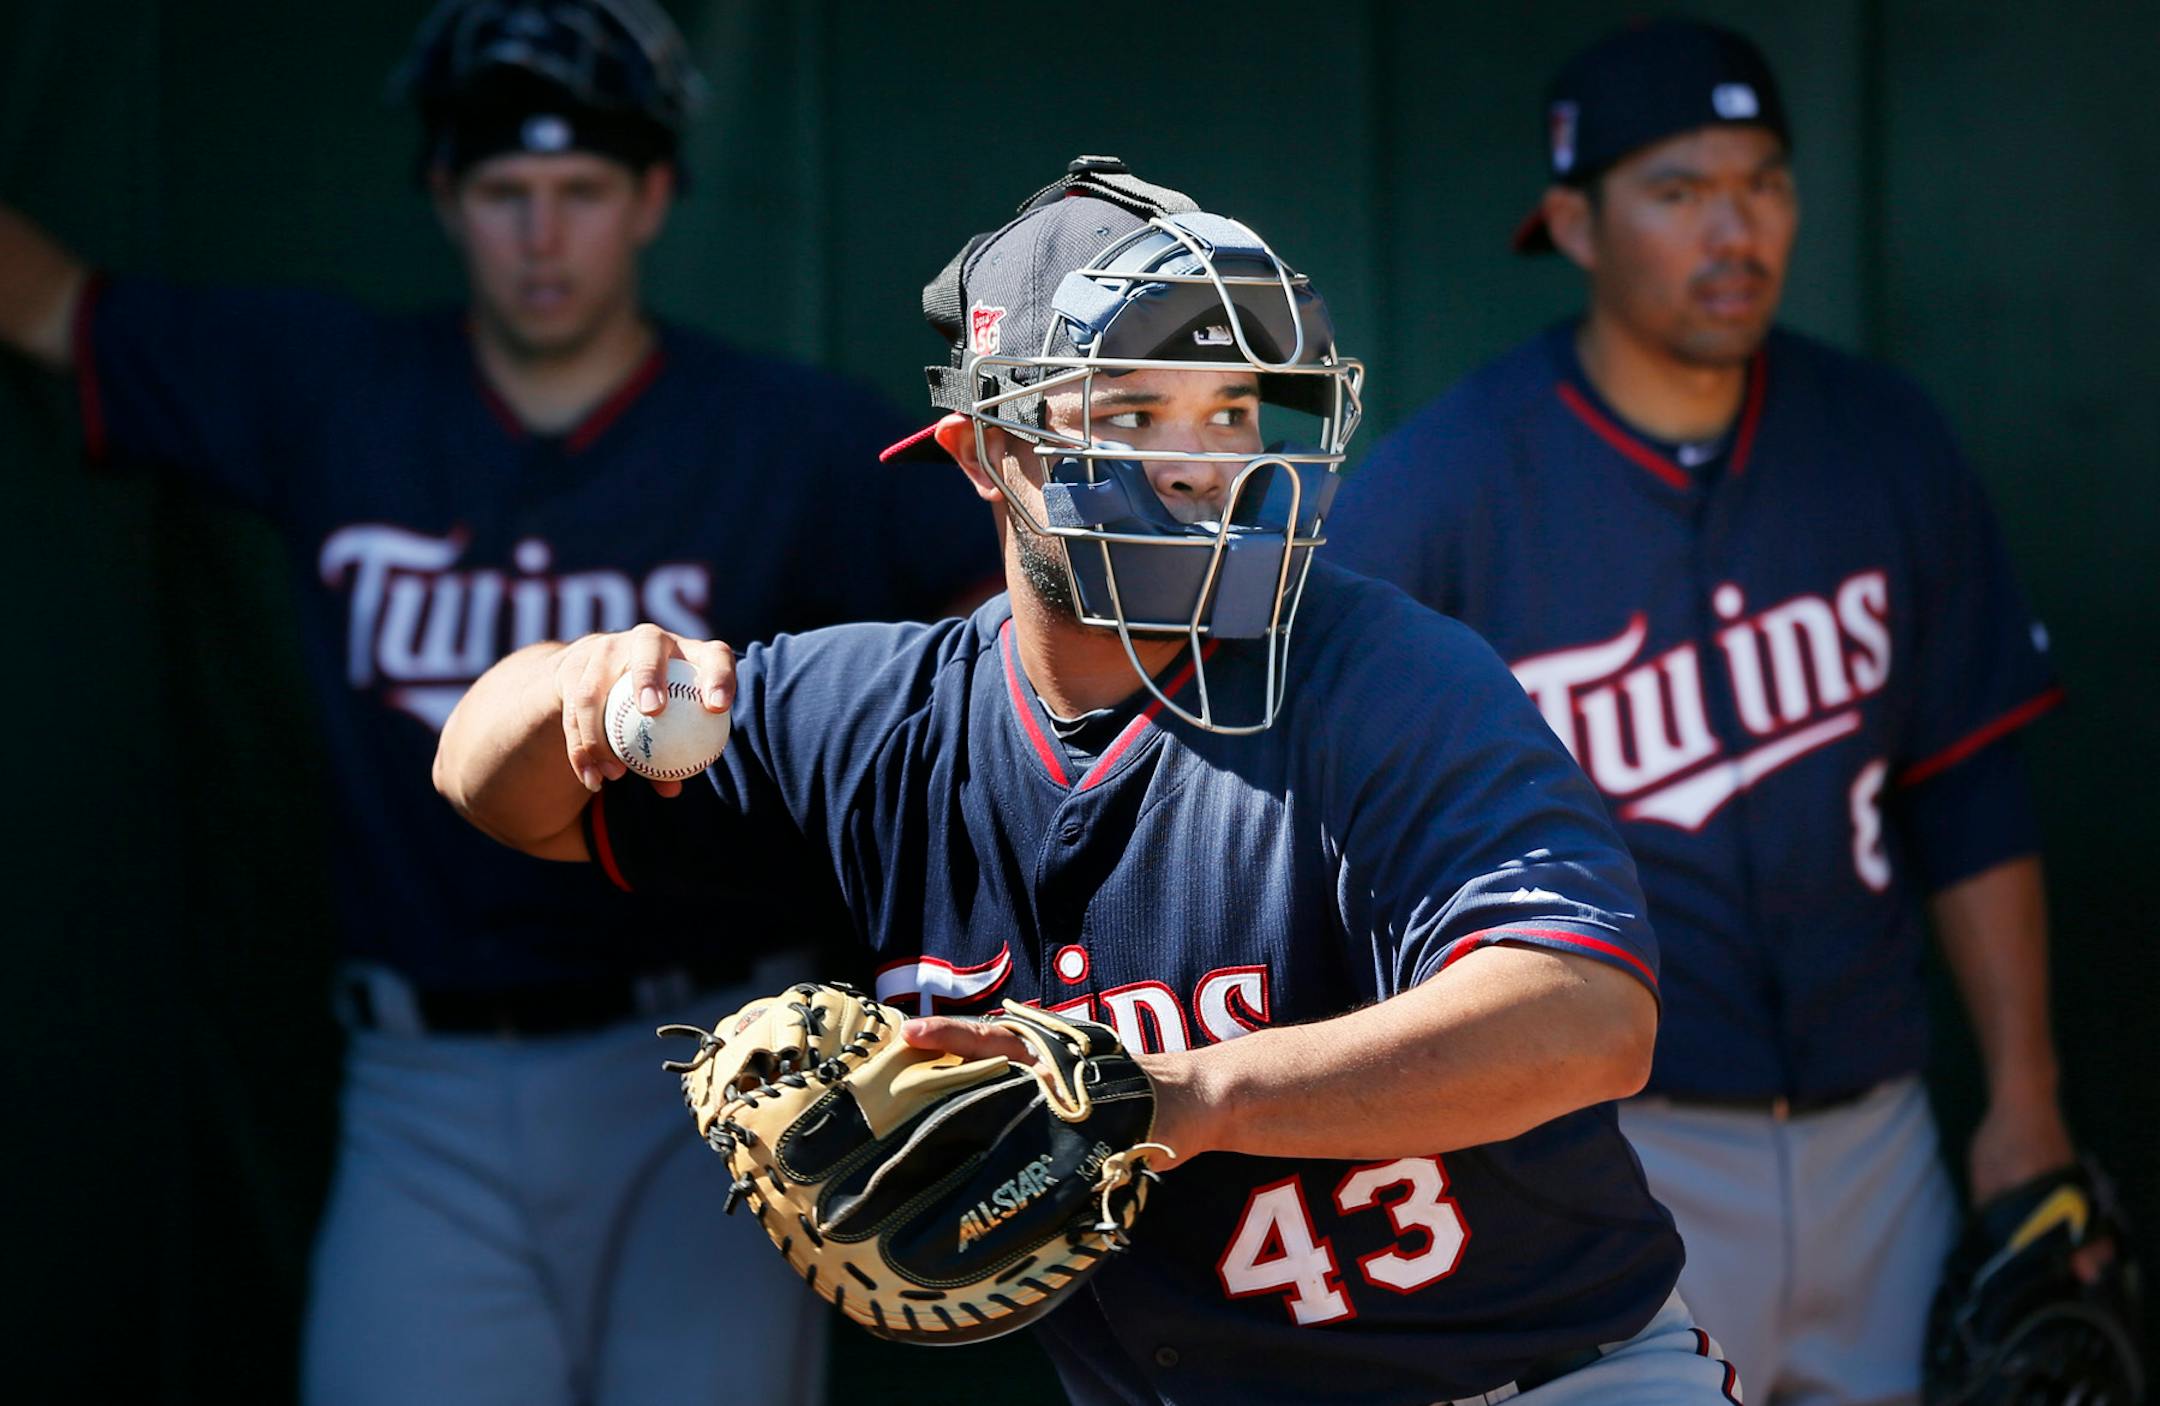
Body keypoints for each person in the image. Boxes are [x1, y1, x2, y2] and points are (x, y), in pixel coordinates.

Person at [433, 155, 1751, 1406]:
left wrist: (1188, 1094)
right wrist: (570, 685)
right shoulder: (884, 722)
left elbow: (1588, 1017)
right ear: (977, 452)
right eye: (1128, 410)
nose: (1199, 458)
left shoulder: (1382, 671)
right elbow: (491, 787)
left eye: (1236, 407)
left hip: (1541, 1371)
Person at [0, 2, 995, 1403]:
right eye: (505, 192)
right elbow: (56, 309)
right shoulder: (335, 392)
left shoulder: (787, 433)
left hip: (715, 1067)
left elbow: (1004, 624)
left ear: (651, 197)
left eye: (581, 190)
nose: (543, 234)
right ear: (444, 198)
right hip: (424, 1085)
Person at [1326, 19, 2081, 1404]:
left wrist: (2024, 1100)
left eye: (1765, 181)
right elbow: (1319, 839)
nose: (1735, 228)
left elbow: (1968, 784)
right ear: (1573, 221)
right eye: (1679, 190)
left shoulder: (1883, 438)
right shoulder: (1445, 489)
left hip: (1880, 1136)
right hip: (1609, 1146)